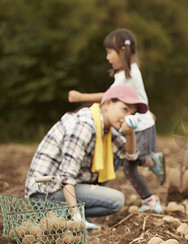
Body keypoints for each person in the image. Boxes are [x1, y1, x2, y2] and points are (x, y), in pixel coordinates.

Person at [25, 84, 149, 229]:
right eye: (125, 109)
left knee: (116, 158)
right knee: (116, 200)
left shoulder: (105, 128)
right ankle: (68, 217)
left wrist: (129, 133)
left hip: (60, 188)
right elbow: (66, 177)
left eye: (132, 114)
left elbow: (130, 155)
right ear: (108, 103)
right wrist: (77, 217)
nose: (127, 117)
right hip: (44, 194)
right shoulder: (85, 124)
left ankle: (63, 217)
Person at [68, 28, 164, 213]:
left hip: (139, 127)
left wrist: (80, 97)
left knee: (129, 168)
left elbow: (110, 96)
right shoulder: (125, 73)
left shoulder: (130, 74)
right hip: (139, 124)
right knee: (125, 158)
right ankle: (150, 161)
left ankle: (150, 202)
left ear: (122, 50)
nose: (107, 57)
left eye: (109, 52)